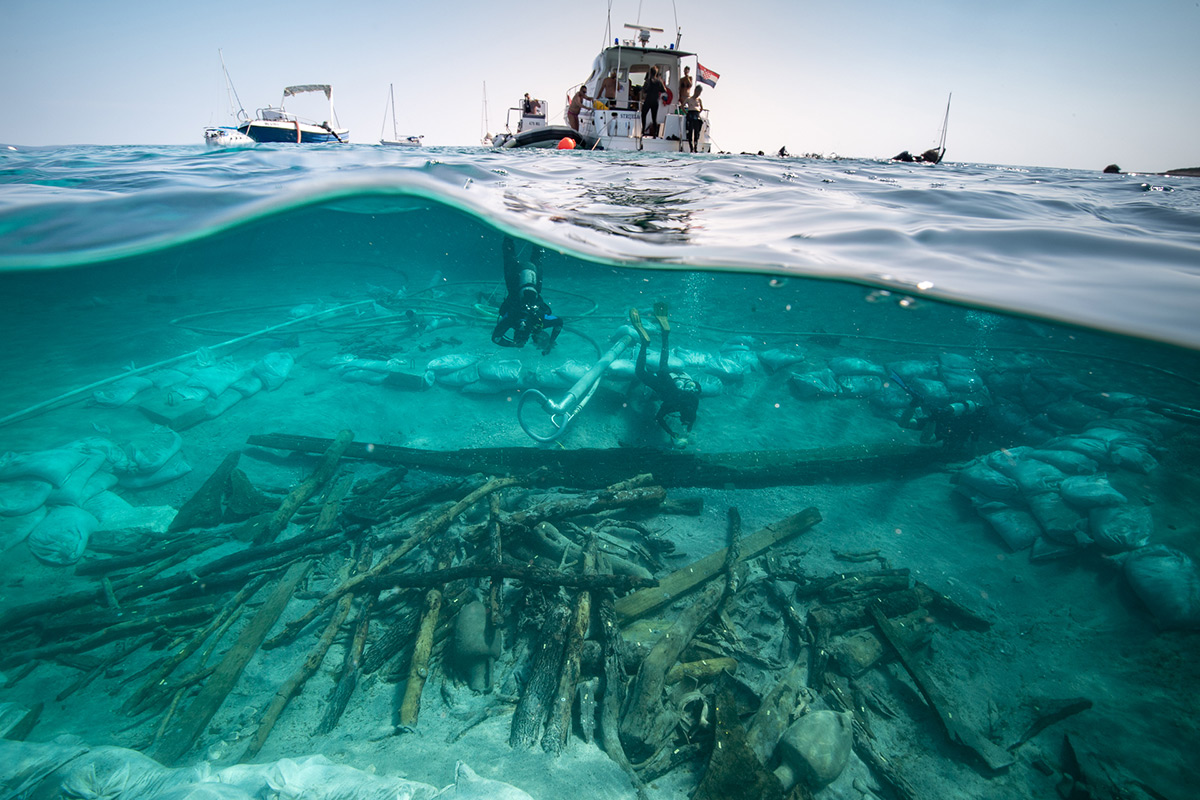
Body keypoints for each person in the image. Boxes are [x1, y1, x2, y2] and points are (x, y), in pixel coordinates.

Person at [629, 301, 700, 442]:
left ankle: (665, 334)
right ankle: (644, 344)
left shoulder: (694, 401)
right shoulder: (671, 407)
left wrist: (690, 425)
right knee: (640, 373)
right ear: (682, 414)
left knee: (663, 363)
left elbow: (693, 412)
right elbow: (658, 418)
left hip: (672, 379)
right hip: (663, 387)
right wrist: (671, 433)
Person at [491, 237, 562, 354]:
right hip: (515, 286)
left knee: (536, 258)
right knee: (510, 255)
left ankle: (535, 238)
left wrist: (513, 344)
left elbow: (559, 322)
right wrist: (550, 342)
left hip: (529, 286)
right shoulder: (512, 319)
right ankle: (510, 237)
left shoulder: (536, 320)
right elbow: (496, 338)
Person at [640, 66, 667, 138]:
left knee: (643, 114)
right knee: (654, 118)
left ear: (650, 72)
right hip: (655, 101)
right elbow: (664, 90)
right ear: (656, 73)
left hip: (648, 100)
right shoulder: (659, 82)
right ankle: (654, 134)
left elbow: (644, 90)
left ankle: (643, 131)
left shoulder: (648, 81)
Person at [684, 85, 704, 152]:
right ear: (695, 91)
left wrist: (698, 113)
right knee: (690, 132)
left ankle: (695, 147)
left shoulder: (699, 100)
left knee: (696, 132)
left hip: (696, 115)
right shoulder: (689, 99)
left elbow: (702, 108)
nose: (699, 94)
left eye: (700, 92)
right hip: (690, 114)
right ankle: (691, 147)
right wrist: (686, 113)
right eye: (698, 92)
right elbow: (682, 106)